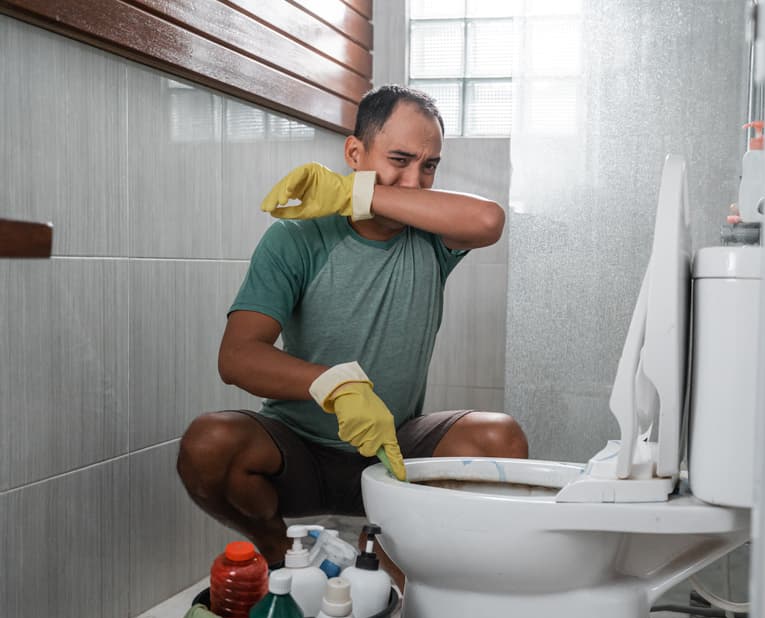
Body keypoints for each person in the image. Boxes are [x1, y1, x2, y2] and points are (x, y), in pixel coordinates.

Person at [176, 85, 529, 573]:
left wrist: (355, 191)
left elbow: (488, 219)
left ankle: (391, 545)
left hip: (394, 451)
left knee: (500, 439)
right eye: (400, 160)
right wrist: (333, 386)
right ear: (355, 152)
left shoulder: (429, 237)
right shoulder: (298, 237)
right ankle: (281, 551)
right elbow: (236, 355)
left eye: (429, 166)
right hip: (300, 449)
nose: (413, 181)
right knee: (209, 442)